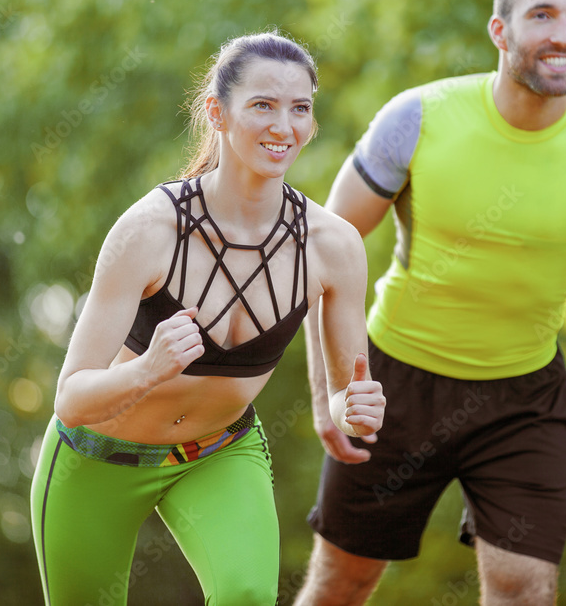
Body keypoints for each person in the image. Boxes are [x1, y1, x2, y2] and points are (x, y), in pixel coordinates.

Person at [295, 0, 566, 606]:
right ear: (500, 32)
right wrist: (328, 392)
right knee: (343, 581)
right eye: (542, 15)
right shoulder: (417, 119)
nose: (563, 33)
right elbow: (320, 255)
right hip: (391, 381)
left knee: (525, 586)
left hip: (522, 399)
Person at [29, 31, 385, 606]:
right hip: (96, 457)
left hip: (217, 453)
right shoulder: (149, 231)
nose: (283, 126)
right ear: (218, 115)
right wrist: (148, 369)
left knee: (246, 593)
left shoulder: (332, 246)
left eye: (300, 109)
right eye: (263, 105)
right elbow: (70, 399)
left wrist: (357, 410)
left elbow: (348, 391)